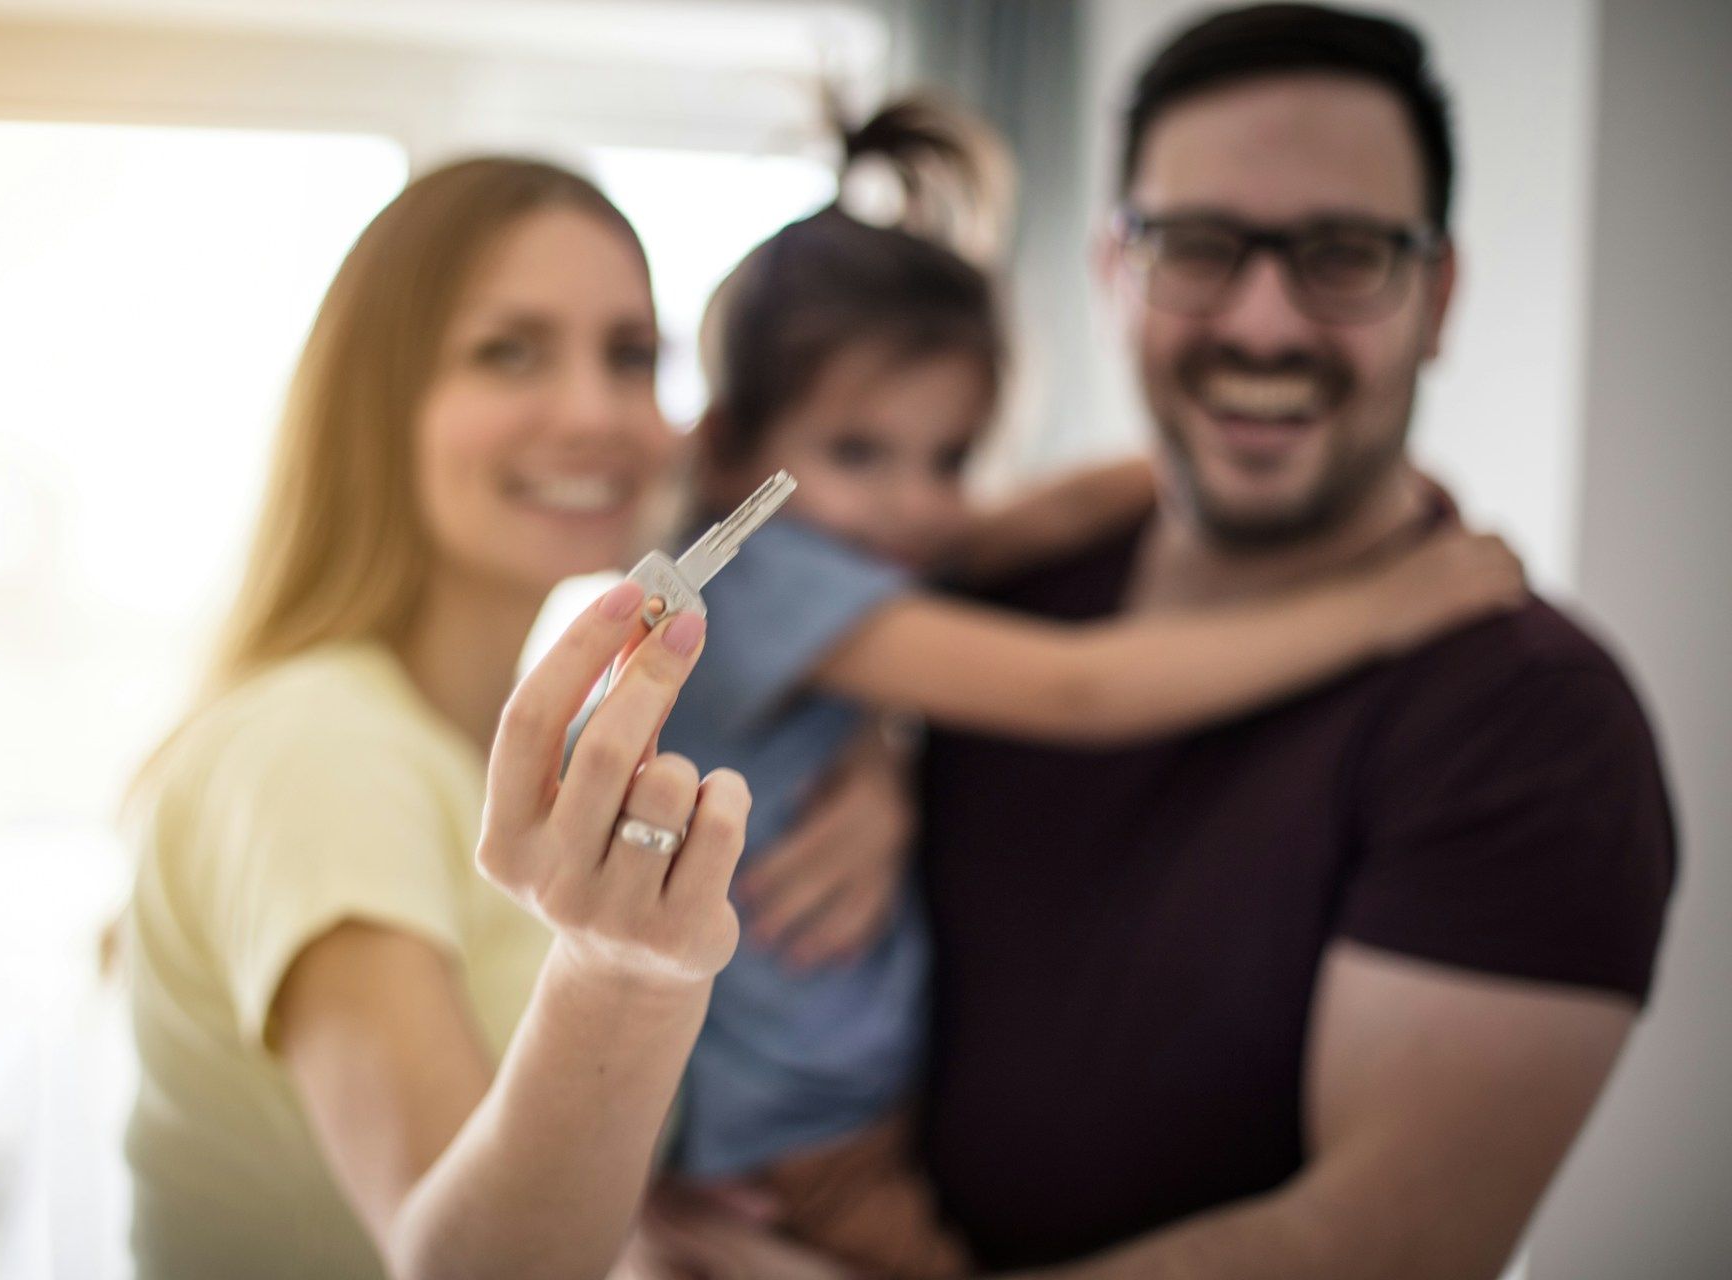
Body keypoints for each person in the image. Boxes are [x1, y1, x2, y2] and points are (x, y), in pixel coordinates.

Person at [653, 94, 1527, 1278]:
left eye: (952, 455)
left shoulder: (850, 543)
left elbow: (1041, 513)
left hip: (824, 1100)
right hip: (801, 1134)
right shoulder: (768, 573)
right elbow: (1079, 690)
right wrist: (1377, 607)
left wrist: (1299, 446)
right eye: (862, 452)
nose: (922, 504)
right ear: (729, 452)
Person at [912, 5, 1677, 1277]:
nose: (1264, 324)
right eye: (1199, 247)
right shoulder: (994, 596)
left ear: (1438, 294)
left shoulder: (1533, 722)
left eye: (1343, 254)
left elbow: (1378, 1245)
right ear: (1114, 274)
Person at [120, 157, 751, 1280]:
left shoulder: (474, 752)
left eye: (630, 355)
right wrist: (620, 977)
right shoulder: (319, 746)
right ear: (379, 403)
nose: (597, 413)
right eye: (509, 351)